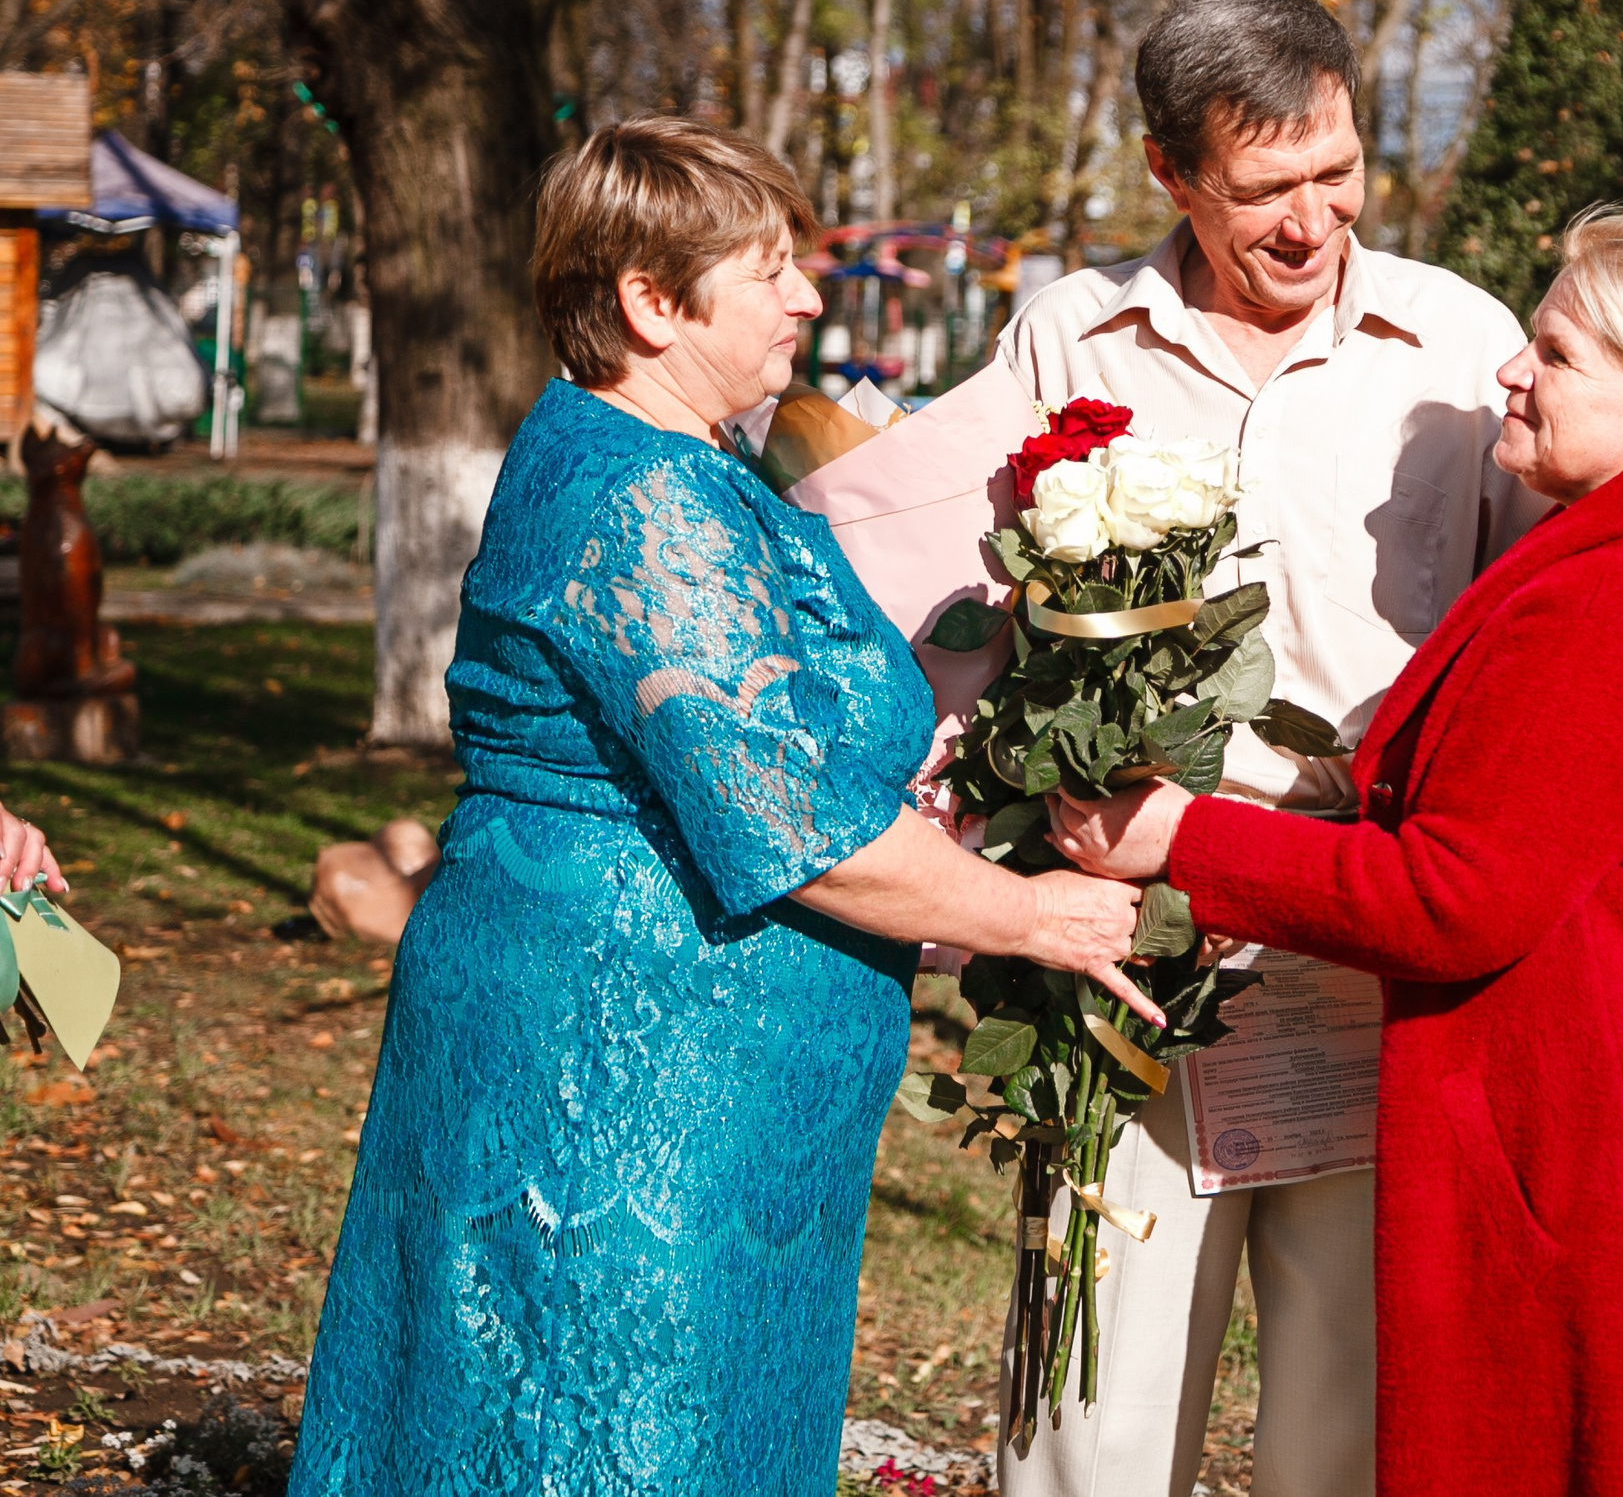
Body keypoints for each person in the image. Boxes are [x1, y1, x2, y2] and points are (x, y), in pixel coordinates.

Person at [992, 0, 1623, 1497]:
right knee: (1091, 1428)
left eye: (1337, 172)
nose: (1313, 221)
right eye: (1264, 191)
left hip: (1378, 969)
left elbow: (1604, 621)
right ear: (1169, 175)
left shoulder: (1459, 338)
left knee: (1348, 1426)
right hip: (1136, 950)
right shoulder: (1066, 337)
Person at [289, 117, 1150, 1497]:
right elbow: (789, 822)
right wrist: (1035, 911)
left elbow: (771, 708)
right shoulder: (646, 499)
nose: (809, 295)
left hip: (694, 1093)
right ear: (648, 301)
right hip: (619, 1088)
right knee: (598, 1429)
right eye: (771, 269)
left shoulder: (681, 467)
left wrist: (1030, 632)